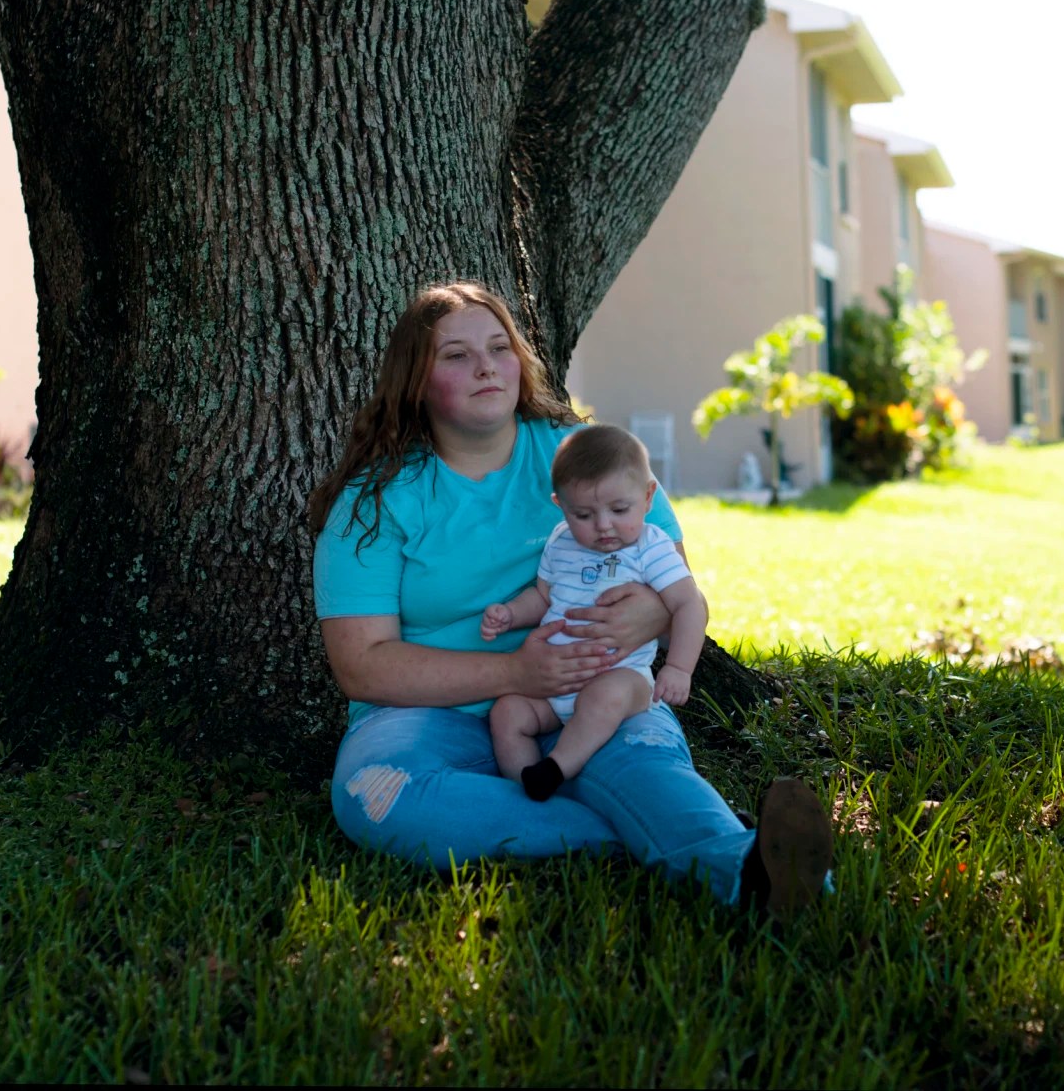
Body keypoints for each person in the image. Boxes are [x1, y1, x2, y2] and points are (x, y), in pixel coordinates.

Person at [310, 281, 833, 916]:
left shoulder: (582, 456)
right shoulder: (375, 500)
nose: (485, 366)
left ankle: (748, 874)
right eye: (455, 355)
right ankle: (648, 835)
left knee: (645, 768)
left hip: (594, 694)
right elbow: (361, 664)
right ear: (414, 380)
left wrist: (650, 617)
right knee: (380, 794)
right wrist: (514, 671)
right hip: (427, 717)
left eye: (499, 347)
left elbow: (674, 587)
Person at [482, 424, 708, 802]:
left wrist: (679, 668)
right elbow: (543, 597)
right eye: (583, 514)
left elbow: (688, 604)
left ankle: (555, 769)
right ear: (561, 505)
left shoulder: (650, 547)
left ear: (648, 497)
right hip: (557, 687)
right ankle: (525, 789)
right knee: (507, 713)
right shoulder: (561, 541)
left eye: (620, 510)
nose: (603, 526)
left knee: (604, 697)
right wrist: (510, 613)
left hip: (624, 680)